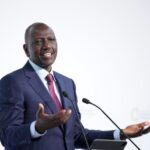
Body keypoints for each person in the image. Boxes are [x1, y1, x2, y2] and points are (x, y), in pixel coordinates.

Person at [0, 22, 150, 150]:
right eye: (39, 41)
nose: (47, 46)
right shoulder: (13, 82)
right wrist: (38, 127)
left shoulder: (67, 83)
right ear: (26, 50)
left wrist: (121, 133)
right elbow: (7, 137)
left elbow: (76, 135)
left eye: (51, 40)